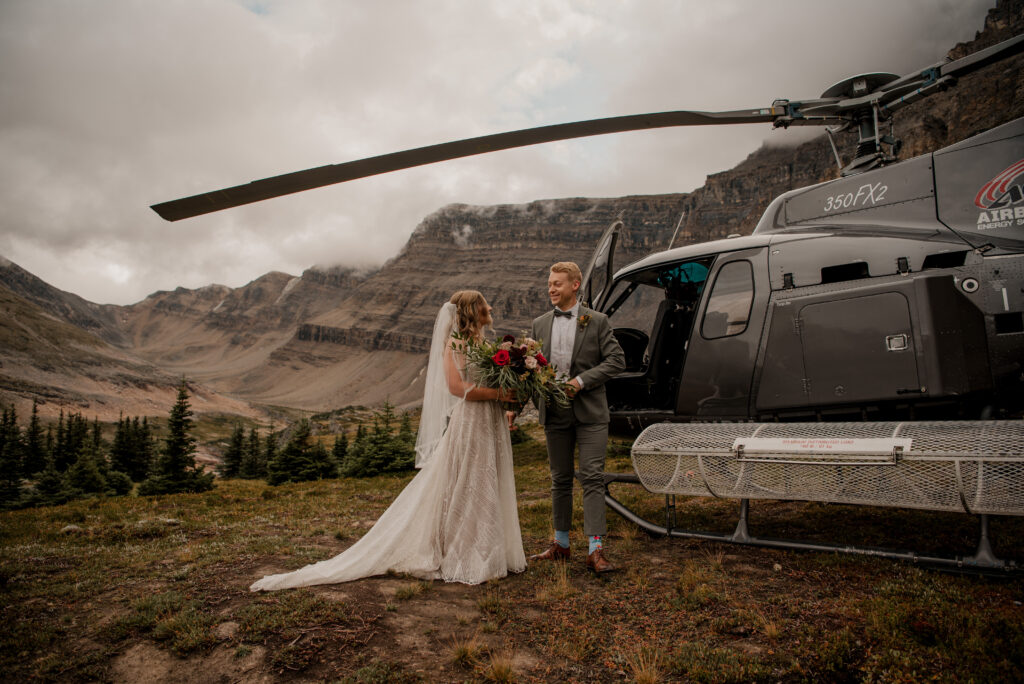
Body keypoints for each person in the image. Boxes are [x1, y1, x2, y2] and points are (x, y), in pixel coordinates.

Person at [250, 291, 526, 591]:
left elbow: (488, 381)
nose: (491, 307)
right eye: (485, 303)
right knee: (470, 484)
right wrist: (498, 394)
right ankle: (468, 553)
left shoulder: (482, 345)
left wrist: (510, 395)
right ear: (473, 311)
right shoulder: (456, 343)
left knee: (488, 480)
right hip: (471, 423)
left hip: (490, 421)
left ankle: (489, 548)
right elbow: (456, 388)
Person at [523, 262, 625, 574]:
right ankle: (561, 544)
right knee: (560, 479)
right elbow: (531, 370)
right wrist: (518, 405)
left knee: (592, 477)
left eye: (557, 284)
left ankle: (596, 550)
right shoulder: (539, 324)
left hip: (591, 412)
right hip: (554, 412)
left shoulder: (597, 321)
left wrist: (580, 382)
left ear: (575, 285)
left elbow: (617, 360)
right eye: (549, 284)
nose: (551, 289)